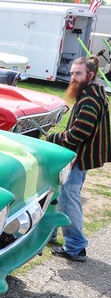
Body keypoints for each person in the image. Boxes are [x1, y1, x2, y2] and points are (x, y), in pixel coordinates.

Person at [47, 56, 110, 262]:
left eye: (78, 73)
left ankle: (76, 247)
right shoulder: (91, 94)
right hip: (77, 158)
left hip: (77, 159)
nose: (73, 77)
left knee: (69, 200)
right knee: (61, 195)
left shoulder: (90, 99)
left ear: (90, 75)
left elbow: (79, 133)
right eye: (72, 73)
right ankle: (51, 233)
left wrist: (53, 137)